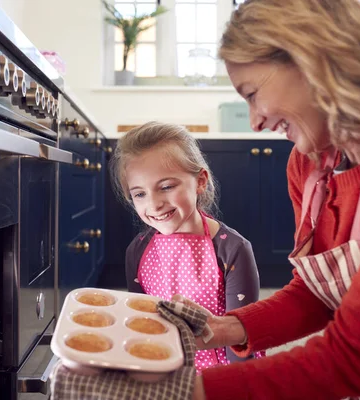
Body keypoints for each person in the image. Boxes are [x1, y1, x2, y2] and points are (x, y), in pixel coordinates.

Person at [186, 0, 360, 398]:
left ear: (312, 58)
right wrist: (224, 328)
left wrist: (180, 392)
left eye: (253, 94)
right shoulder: (309, 167)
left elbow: (351, 360)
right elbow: (317, 295)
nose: (254, 121)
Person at [110, 121, 261, 372]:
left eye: (167, 187)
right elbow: (140, 324)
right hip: (162, 370)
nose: (155, 204)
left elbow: (240, 338)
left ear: (200, 181)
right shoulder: (137, 251)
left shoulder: (233, 250)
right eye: (139, 194)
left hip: (220, 375)